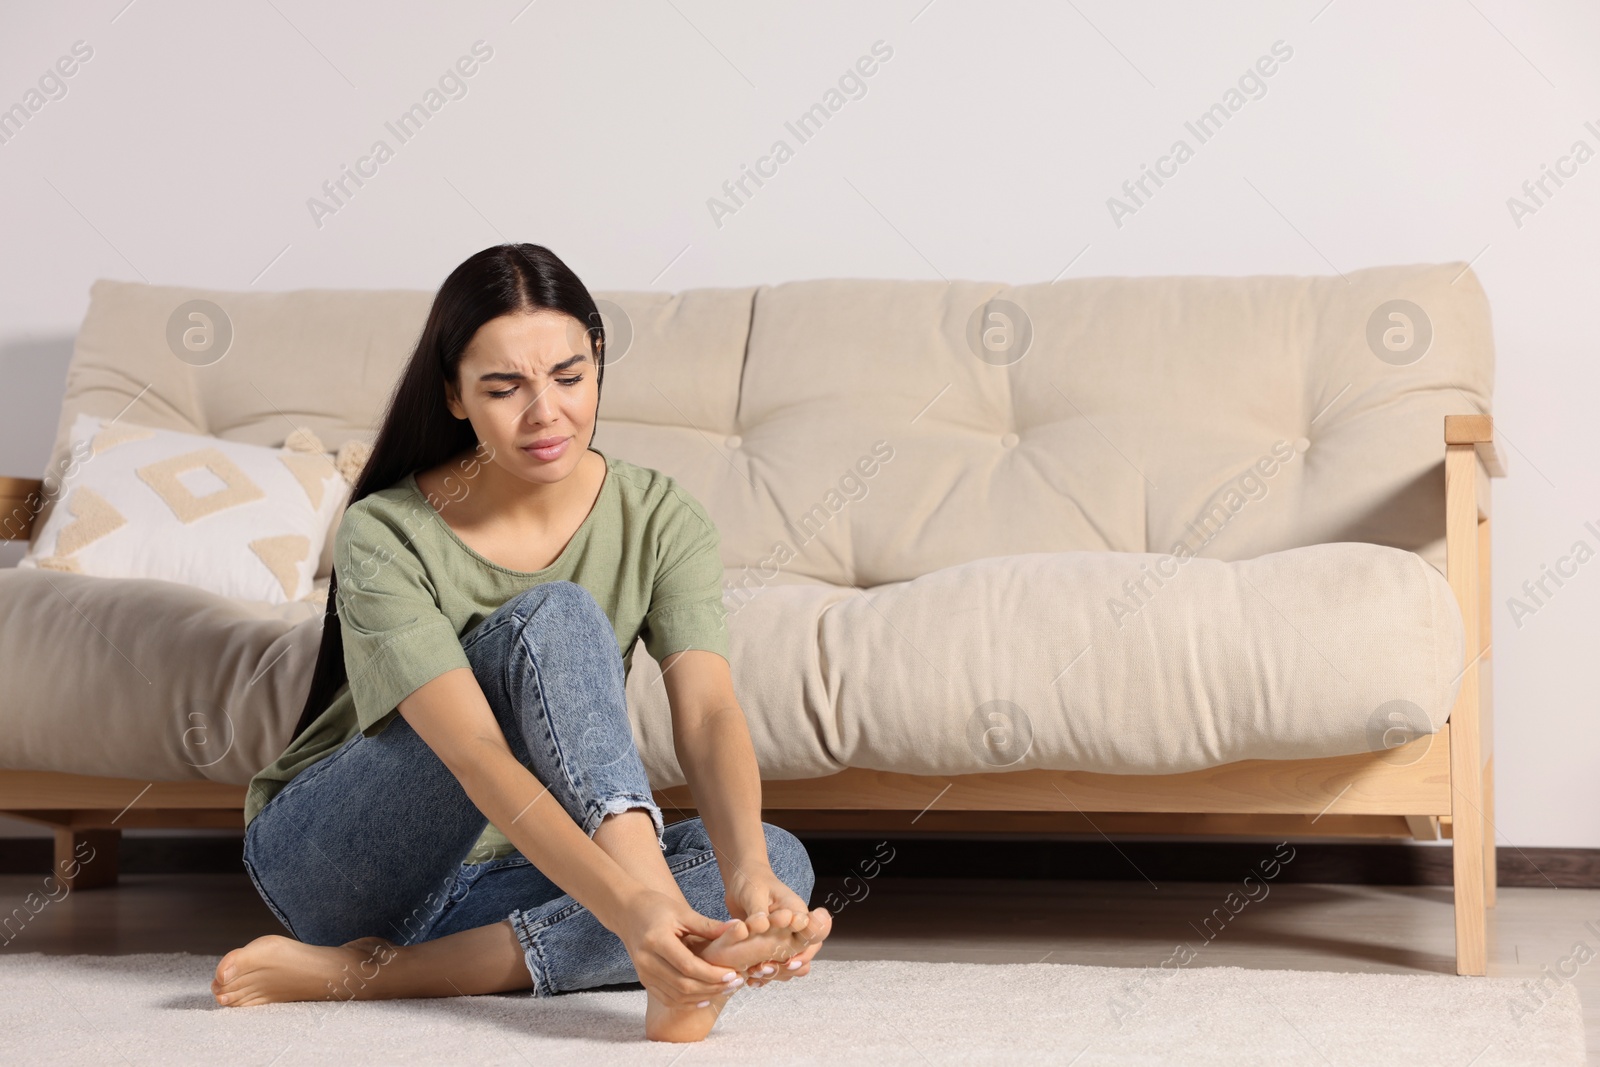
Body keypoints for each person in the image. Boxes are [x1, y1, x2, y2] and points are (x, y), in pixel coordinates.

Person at [211, 243, 830, 1043]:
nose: (546, 414)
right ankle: (653, 931)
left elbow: (709, 712)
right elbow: (475, 756)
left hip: (521, 877)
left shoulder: (660, 516)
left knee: (780, 863)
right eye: (504, 388)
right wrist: (633, 899)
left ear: (599, 360)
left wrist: (746, 876)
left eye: (569, 377)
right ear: (455, 395)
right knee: (562, 616)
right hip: (343, 863)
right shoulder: (385, 530)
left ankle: (371, 975)